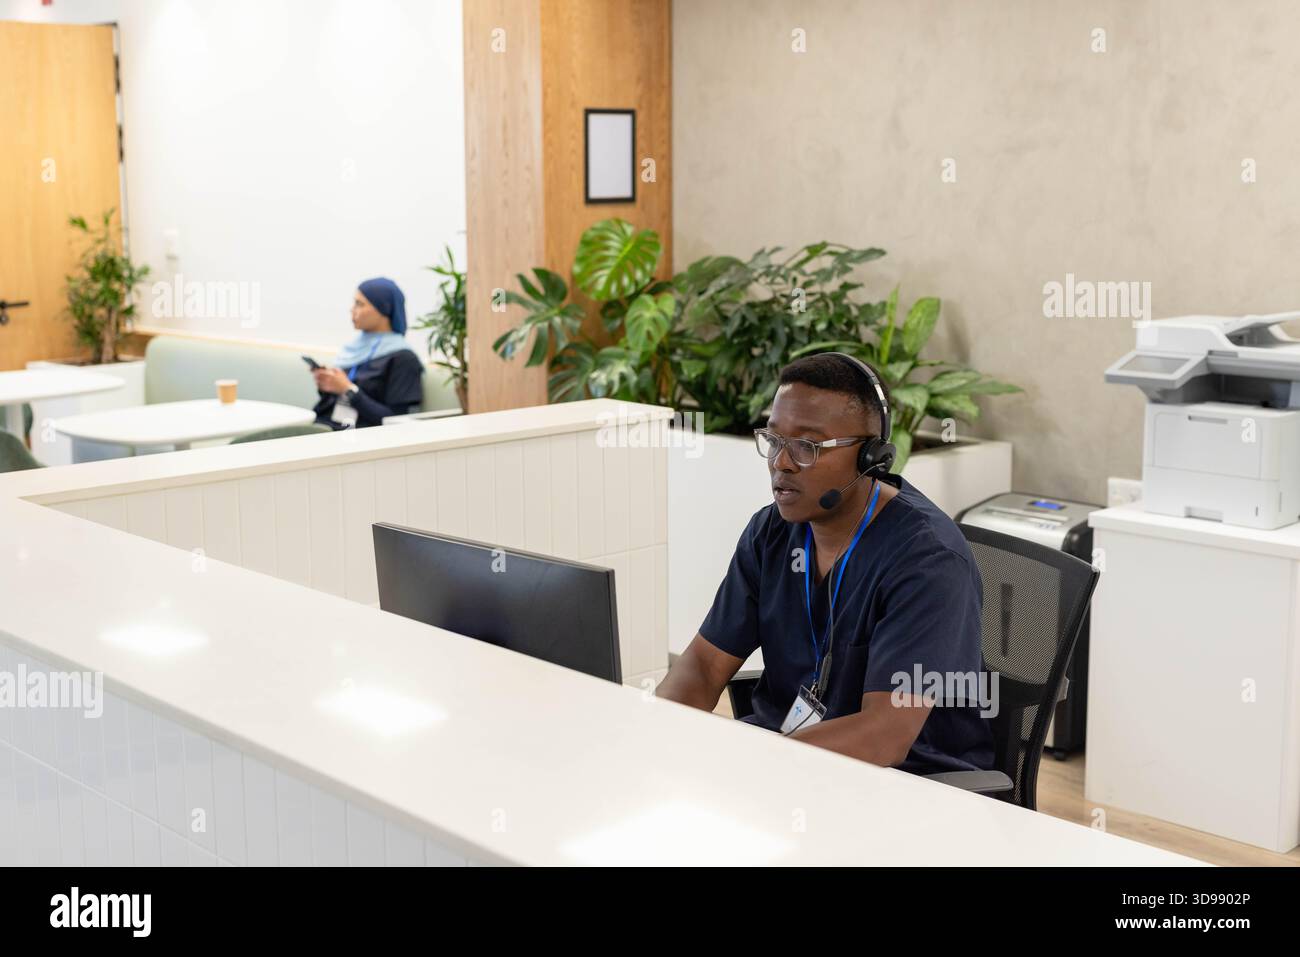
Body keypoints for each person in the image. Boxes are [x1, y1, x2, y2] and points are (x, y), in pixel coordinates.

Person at [656, 352, 995, 776]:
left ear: (870, 457)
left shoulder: (927, 561)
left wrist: (757, 766)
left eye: (807, 446)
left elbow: (884, 735)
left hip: (905, 785)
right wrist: (657, 735)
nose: (781, 461)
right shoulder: (771, 534)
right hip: (789, 765)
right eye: (775, 440)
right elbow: (705, 665)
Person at [313, 278, 424, 429]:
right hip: (327, 425)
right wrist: (328, 384)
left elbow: (395, 421)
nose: (352, 310)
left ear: (383, 309)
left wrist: (349, 391)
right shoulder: (353, 349)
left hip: (361, 438)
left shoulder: (403, 358)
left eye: (360, 304)